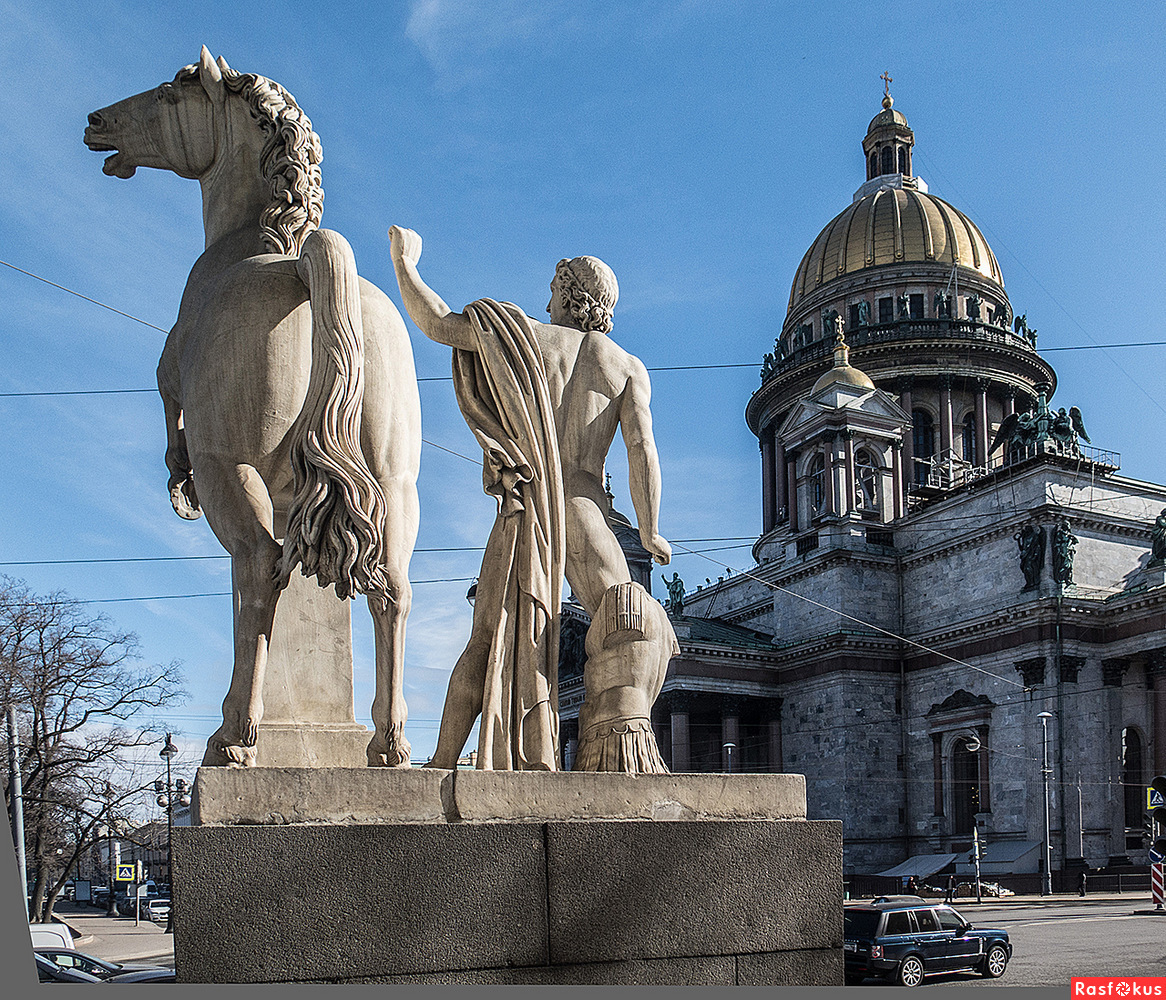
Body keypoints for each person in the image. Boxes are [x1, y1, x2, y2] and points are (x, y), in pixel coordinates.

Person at [389, 226, 673, 770]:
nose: (545, 300)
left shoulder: (526, 338)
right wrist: (648, 527)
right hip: (584, 511)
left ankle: (444, 760)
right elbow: (643, 451)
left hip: (527, 508)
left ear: (570, 294)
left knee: (489, 639)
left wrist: (407, 265)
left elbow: (438, 323)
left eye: (552, 289)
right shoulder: (626, 367)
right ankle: (622, 747)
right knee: (631, 616)